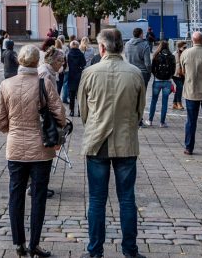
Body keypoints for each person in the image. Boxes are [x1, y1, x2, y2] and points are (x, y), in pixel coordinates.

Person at [78, 28, 146, 258]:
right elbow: (140, 110)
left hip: (97, 142)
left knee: (97, 199)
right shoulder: (135, 73)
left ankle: (95, 250)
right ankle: (130, 250)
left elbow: (83, 111)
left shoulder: (90, 72)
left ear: (102, 47)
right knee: (127, 199)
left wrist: (96, 126)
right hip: (126, 141)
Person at [0, 44, 65, 258]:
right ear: (37, 62)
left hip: (15, 147)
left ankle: (19, 243)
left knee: (16, 194)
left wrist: (15, 130)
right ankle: (34, 244)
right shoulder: (43, 83)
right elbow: (60, 115)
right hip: (41, 148)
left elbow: (0, 122)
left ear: (20, 61)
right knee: (38, 196)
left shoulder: (6, 84)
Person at [148, 41, 176, 127]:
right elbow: (173, 69)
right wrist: (170, 76)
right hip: (167, 81)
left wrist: (156, 75)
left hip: (157, 80)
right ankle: (162, 122)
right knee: (165, 102)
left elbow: (152, 68)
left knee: (154, 101)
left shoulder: (156, 56)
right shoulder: (171, 56)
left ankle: (150, 120)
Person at [65, 39, 87, 117]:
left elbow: (66, 64)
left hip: (71, 75)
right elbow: (84, 63)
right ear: (78, 46)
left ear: (71, 46)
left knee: (71, 95)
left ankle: (71, 111)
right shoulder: (81, 54)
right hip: (79, 76)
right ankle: (79, 111)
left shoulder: (69, 54)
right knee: (79, 95)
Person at [171, 41, 186, 110]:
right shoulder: (174, 54)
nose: (185, 48)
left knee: (178, 88)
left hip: (183, 74)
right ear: (179, 47)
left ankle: (174, 103)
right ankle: (179, 103)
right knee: (180, 88)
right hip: (176, 74)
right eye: (184, 47)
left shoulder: (186, 54)